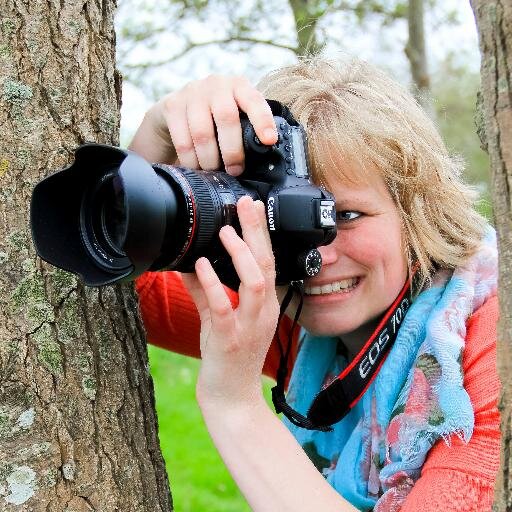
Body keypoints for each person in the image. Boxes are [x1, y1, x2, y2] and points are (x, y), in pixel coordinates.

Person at [129, 56, 500, 511]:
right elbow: (127, 288)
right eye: (285, 220)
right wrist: (157, 131)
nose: (316, 257)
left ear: (417, 215)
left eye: (342, 216)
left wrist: (236, 405)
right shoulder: (288, 323)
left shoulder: (488, 336)